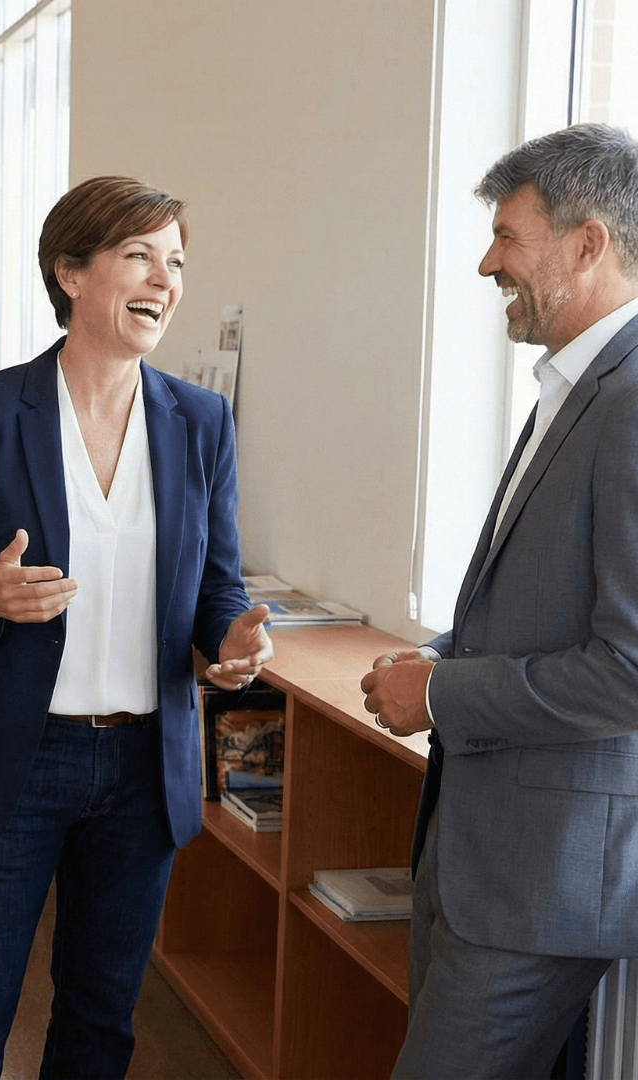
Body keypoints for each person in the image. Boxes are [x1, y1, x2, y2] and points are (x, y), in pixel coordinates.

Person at [0, 175, 272, 1079]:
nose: (164, 280)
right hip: (11, 760)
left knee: (101, 1023)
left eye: (175, 261)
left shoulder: (201, 421)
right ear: (70, 272)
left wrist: (232, 640)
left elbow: (216, 585)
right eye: (139, 255)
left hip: (143, 769)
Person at [360, 123, 638, 1079]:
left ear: (587, 244)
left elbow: (629, 672)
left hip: (543, 878)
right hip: (486, 857)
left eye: (507, 237)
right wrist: (441, 655)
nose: (487, 264)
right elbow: (543, 604)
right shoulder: (577, 386)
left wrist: (438, 695)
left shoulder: (631, 401)